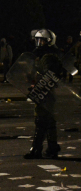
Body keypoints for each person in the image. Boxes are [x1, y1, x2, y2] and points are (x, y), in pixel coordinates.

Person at [24, 29, 66, 159]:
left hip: (46, 93)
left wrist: (37, 87)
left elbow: (49, 76)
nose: (39, 43)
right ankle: (52, 148)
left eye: (41, 40)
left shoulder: (49, 56)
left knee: (41, 120)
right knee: (49, 121)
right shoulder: (43, 55)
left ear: (49, 41)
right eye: (37, 40)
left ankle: (37, 149)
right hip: (44, 91)